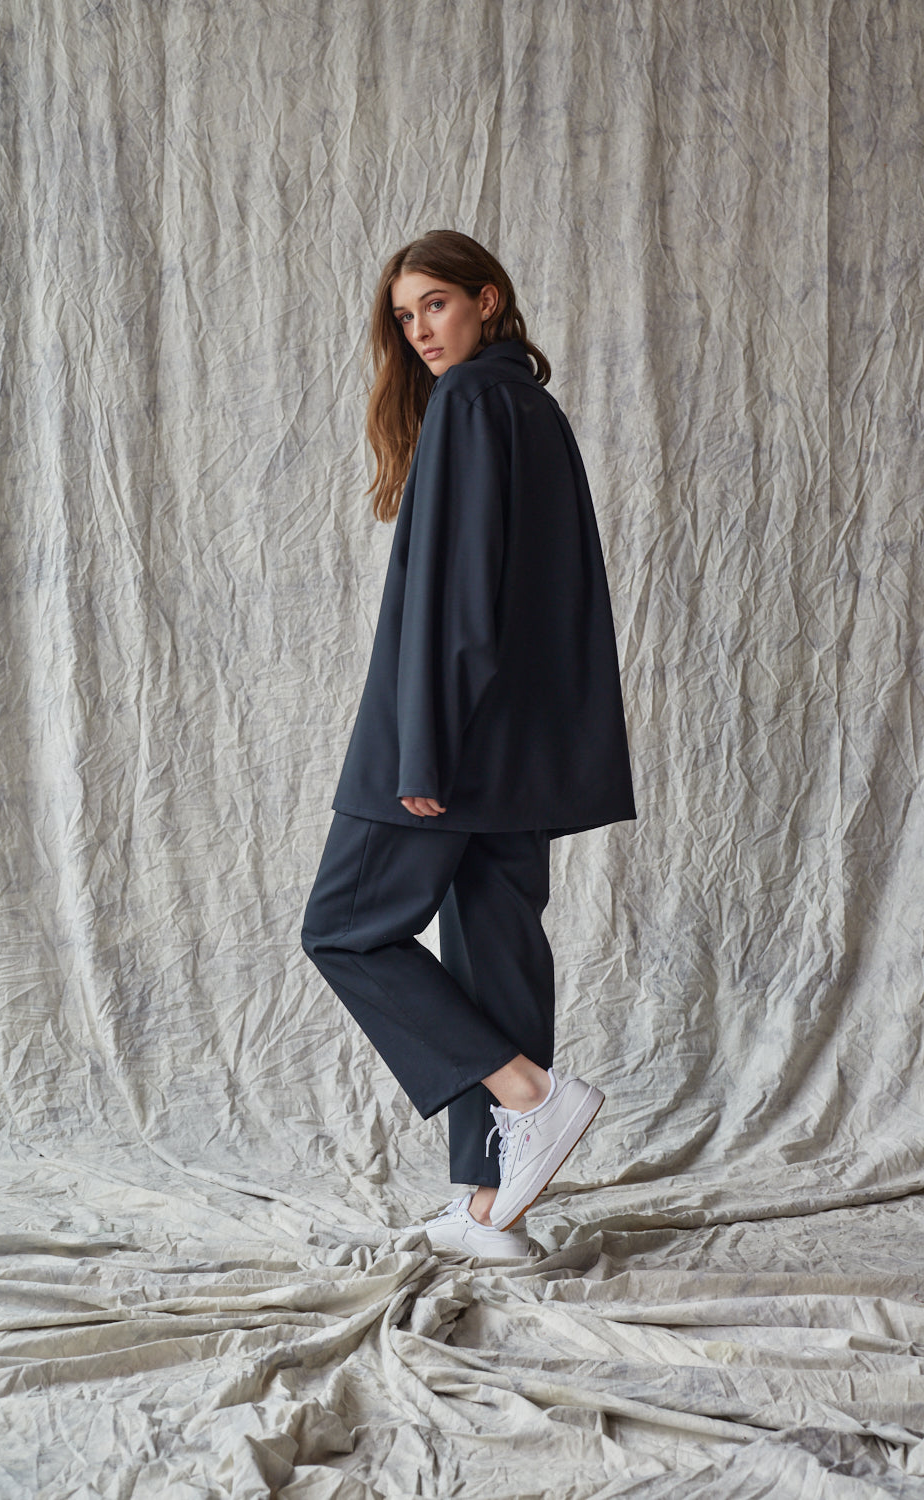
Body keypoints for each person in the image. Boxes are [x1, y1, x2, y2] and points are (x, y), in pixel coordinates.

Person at [301, 229, 636, 1261]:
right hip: (518, 746)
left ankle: (530, 1094)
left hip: (453, 740)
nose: (418, 331)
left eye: (435, 305)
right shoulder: (531, 408)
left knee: (344, 928)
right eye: (404, 317)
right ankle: (491, 1209)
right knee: (495, 949)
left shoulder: (472, 403)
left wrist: (425, 751)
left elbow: (461, 600)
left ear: (488, 299)